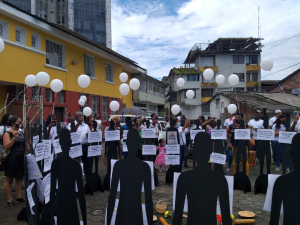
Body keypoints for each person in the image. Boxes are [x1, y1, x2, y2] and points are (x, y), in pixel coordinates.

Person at [3, 116, 28, 207]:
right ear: (13, 124)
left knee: (19, 178)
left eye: (21, 121)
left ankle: (19, 197)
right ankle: (9, 199)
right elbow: (6, 147)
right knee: (9, 178)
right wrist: (14, 138)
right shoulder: (7, 133)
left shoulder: (21, 132)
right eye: (18, 122)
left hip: (21, 158)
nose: (20, 123)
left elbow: (25, 144)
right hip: (12, 159)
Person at [68, 112, 91, 179]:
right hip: (76, 147)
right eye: (79, 116)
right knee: (76, 163)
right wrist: (78, 123)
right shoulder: (71, 124)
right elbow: (71, 132)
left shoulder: (86, 125)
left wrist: (88, 135)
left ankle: (88, 179)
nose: (81, 117)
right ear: (75, 117)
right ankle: (76, 179)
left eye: (82, 115)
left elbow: (89, 134)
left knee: (87, 163)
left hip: (85, 146)